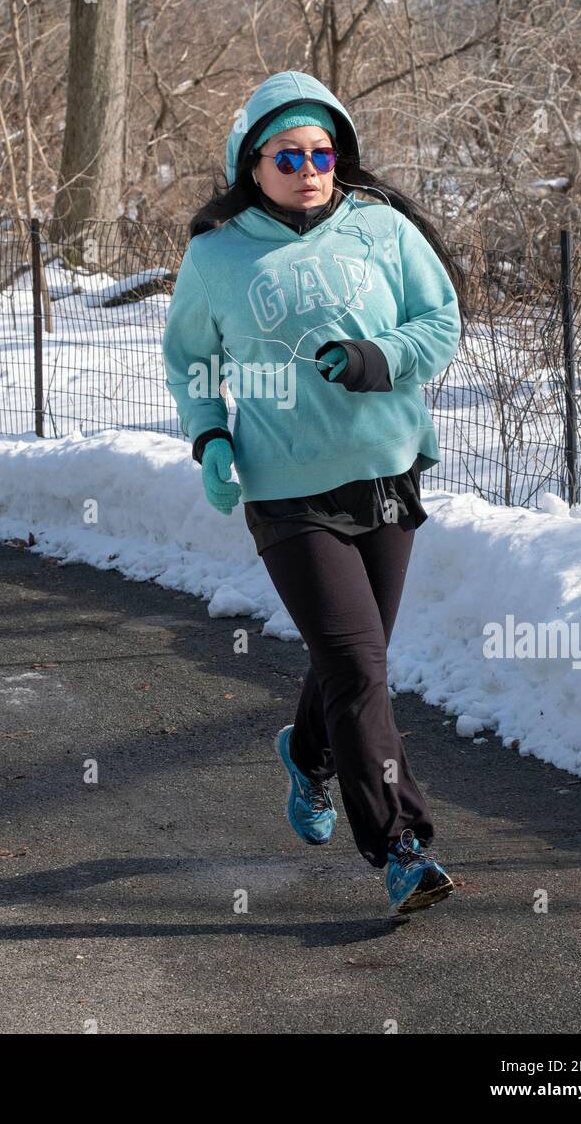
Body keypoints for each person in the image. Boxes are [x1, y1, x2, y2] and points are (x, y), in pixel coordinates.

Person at [162, 70, 467, 915]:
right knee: (361, 667)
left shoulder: (381, 229)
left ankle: (308, 754)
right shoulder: (218, 253)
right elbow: (192, 360)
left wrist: (382, 359)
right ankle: (401, 845)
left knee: (351, 662)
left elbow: (441, 321)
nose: (309, 167)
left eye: (323, 151)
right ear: (251, 164)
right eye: (288, 154)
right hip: (289, 492)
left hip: (385, 474)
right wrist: (211, 435)